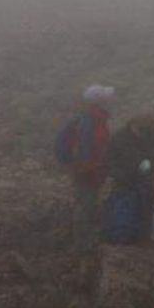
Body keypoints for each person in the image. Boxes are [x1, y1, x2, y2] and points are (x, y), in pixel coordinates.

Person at [57, 85, 114, 253]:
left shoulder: (98, 119)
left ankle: (86, 241)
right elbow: (86, 148)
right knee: (86, 205)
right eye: (105, 98)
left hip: (92, 171)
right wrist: (83, 167)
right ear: (98, 102)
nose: (110, 101)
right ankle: (83, 245)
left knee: (88, 203)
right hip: (87, 172)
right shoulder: (88, 121)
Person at [105, 113, 154, 242]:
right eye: (140, 131)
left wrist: (150, 160)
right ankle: (120, 237)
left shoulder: (152, 134)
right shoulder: (120, 137)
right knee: (124, 209)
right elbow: (110, 160)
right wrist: (120, 175)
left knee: (147, 206)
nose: (142, 135)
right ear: (134, 126)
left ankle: (142, 236)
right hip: (125, 181)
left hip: (146, 180)